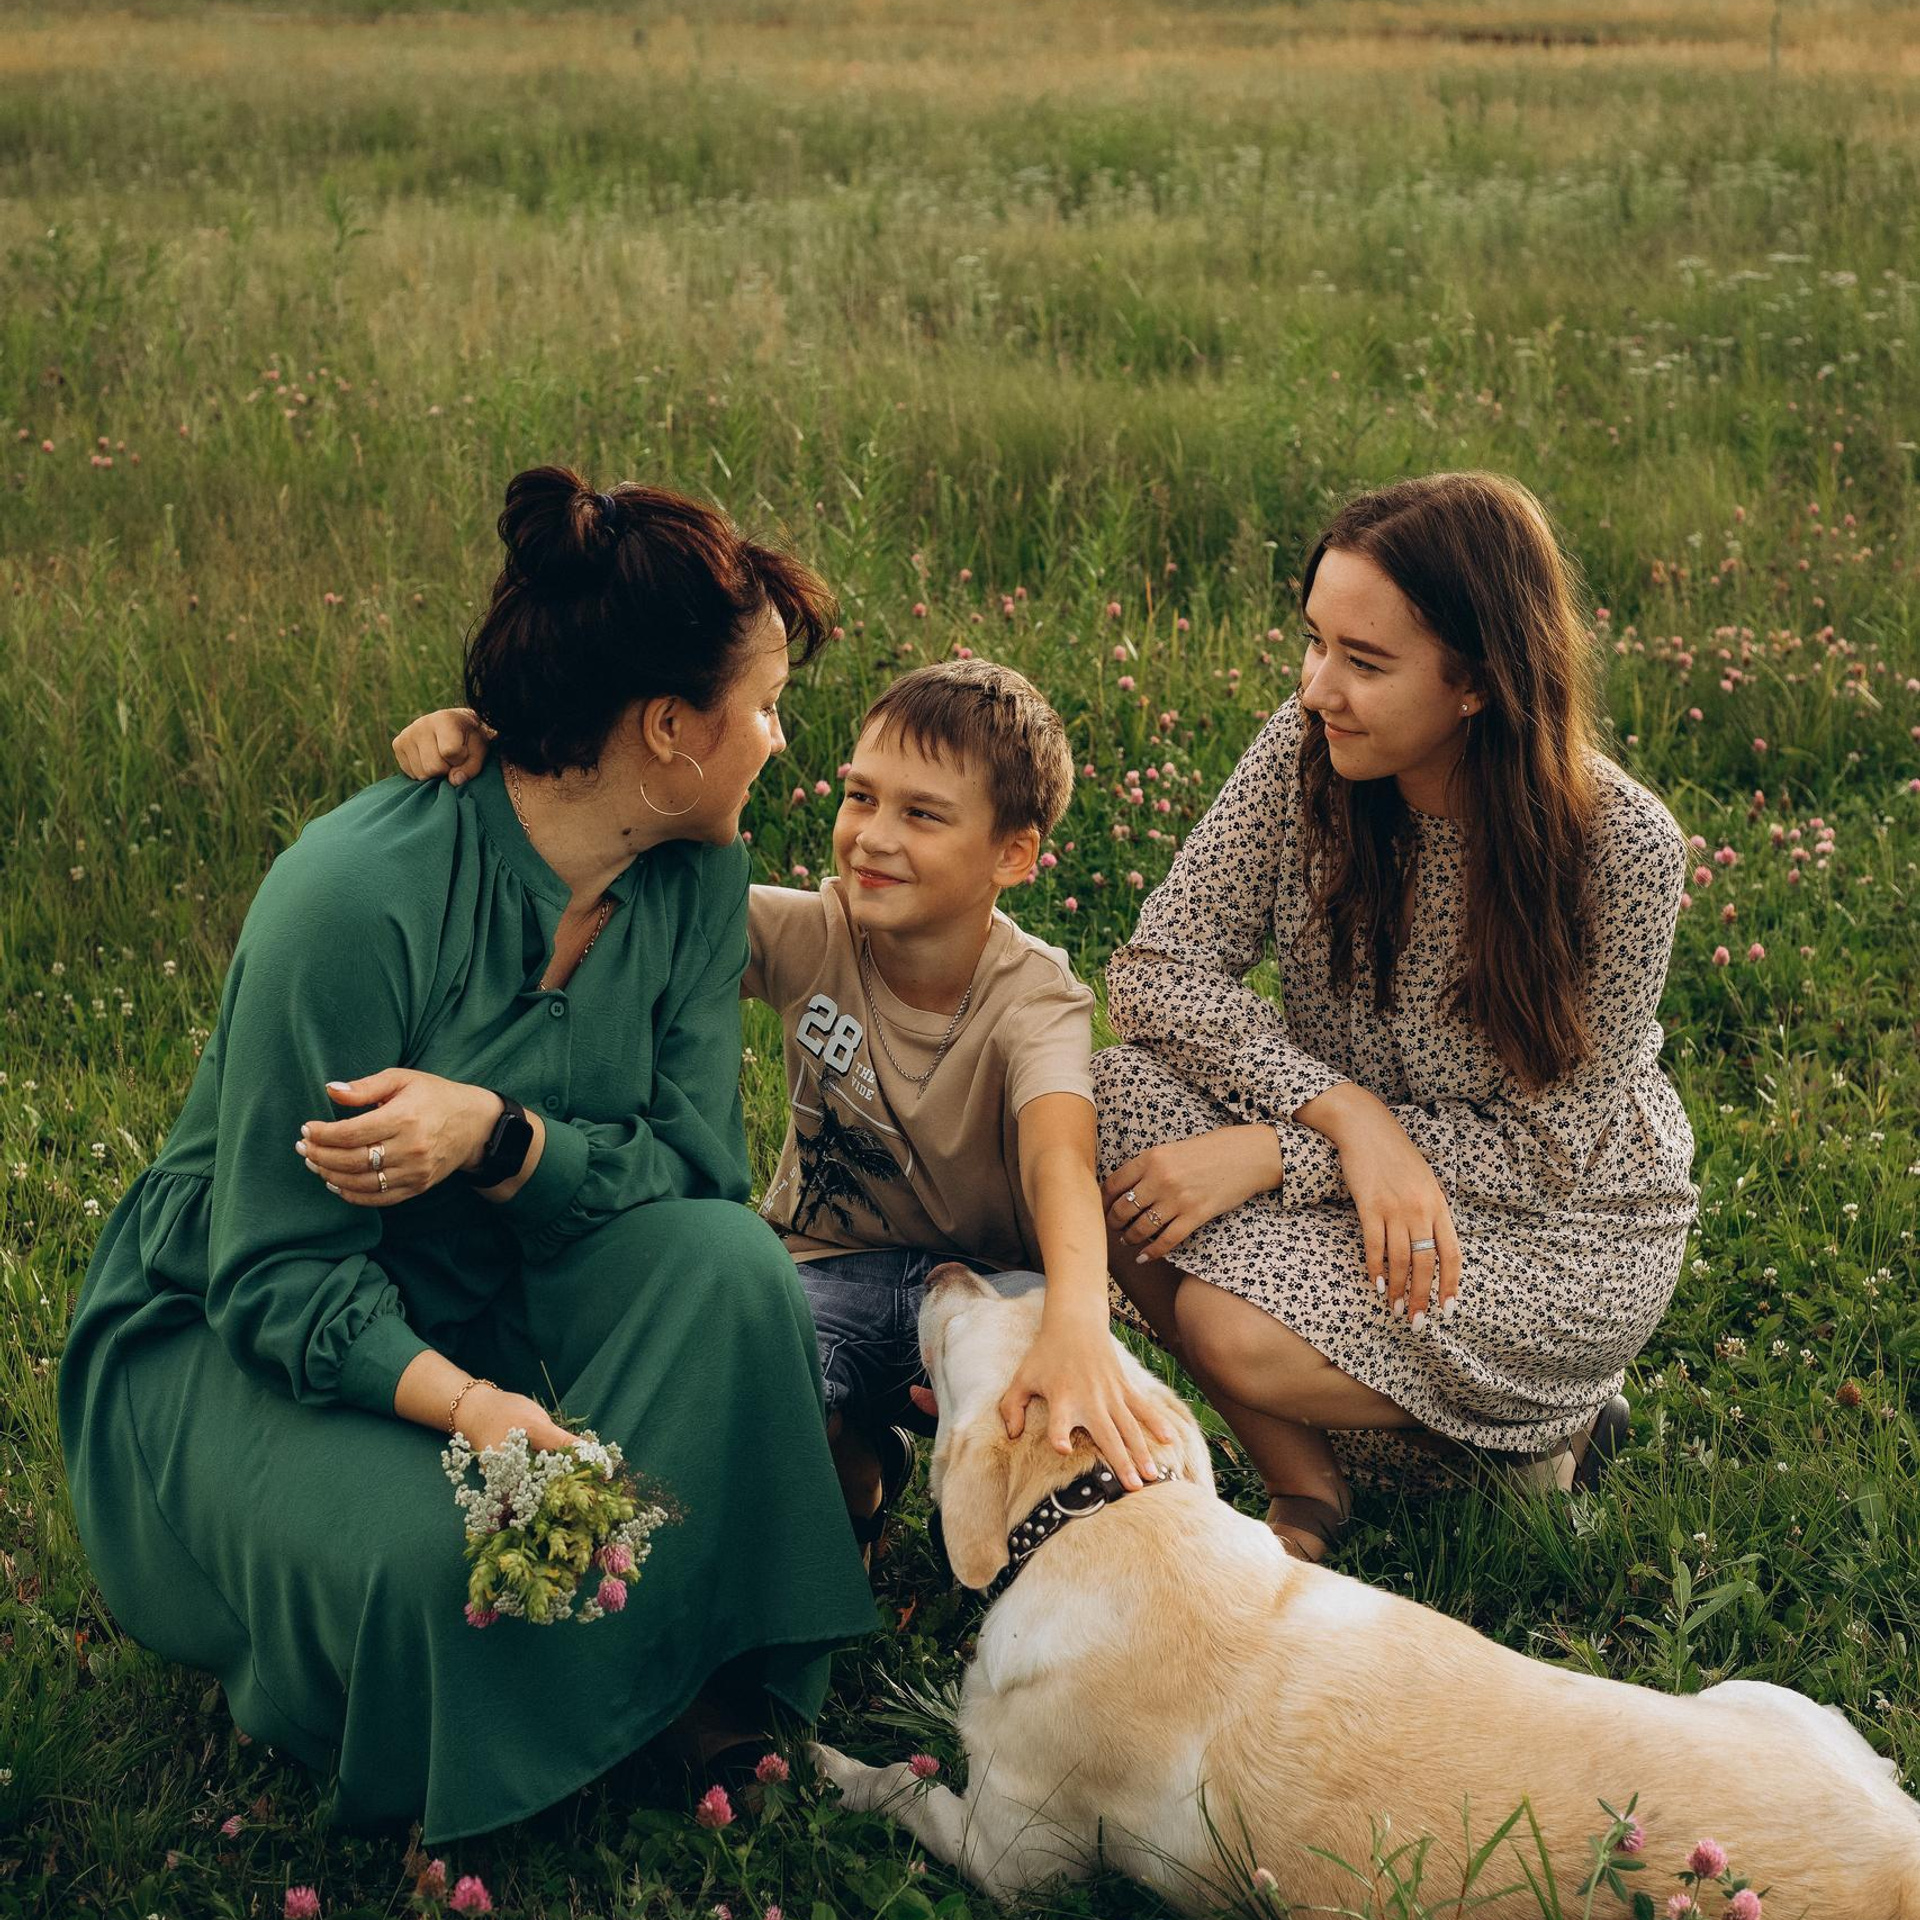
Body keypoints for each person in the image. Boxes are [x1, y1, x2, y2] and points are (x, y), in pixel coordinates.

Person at [58, 468, 879, 1845]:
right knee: (441, 1561)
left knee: (733, 1270)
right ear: (671, 731)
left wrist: (500, 1137)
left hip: (504, 1269)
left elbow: (686, 1172)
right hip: (243, 1327)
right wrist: (473, 1410)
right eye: (767, 707)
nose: (783, 744)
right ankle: (562, 1693)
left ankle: (676, 1661)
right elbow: (272, 1275)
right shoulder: (354, 899)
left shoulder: (688, 876)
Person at [394, 659, 1178, 1561]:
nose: (873, 837)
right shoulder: (812, 931)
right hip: (822, 1273)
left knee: (1063, 1442)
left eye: (922, 814)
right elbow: (637, 876)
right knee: (746, 1369)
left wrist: (1077, 1327)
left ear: (1013, 853)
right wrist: (514, 762)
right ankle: (854, 1476)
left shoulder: (1036, 996)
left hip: (986, 1291)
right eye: (861, 798)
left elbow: (1058, 1165)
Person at [1093, 473, 1699, 1561]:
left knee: (1226, 1322)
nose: (1318, 686)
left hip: (1557, 1230)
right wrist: (1346, 1120)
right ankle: (1318, 1483)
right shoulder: (1306, 751)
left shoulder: (1625, 850)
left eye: (1364, 663)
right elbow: (1155, 971)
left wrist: (1276, 1155)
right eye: (1315, 641)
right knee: (1101, 1105)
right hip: (1362, 1158)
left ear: (1476, 683)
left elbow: (1546, 1148)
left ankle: (1543, 1422)